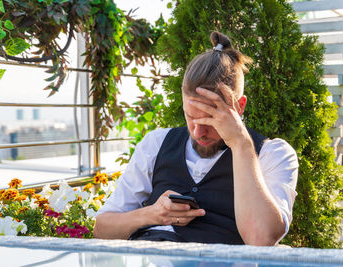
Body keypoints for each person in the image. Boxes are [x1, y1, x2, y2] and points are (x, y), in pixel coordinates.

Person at [93, 31, 298, 246]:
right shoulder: (156, 143)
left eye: (211, 121)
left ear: (240, 106)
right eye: (190, 117)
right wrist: (153, 214)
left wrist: (240, 144)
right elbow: (102, 229)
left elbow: (261, 239)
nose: (198, 132)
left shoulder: (272, 154)